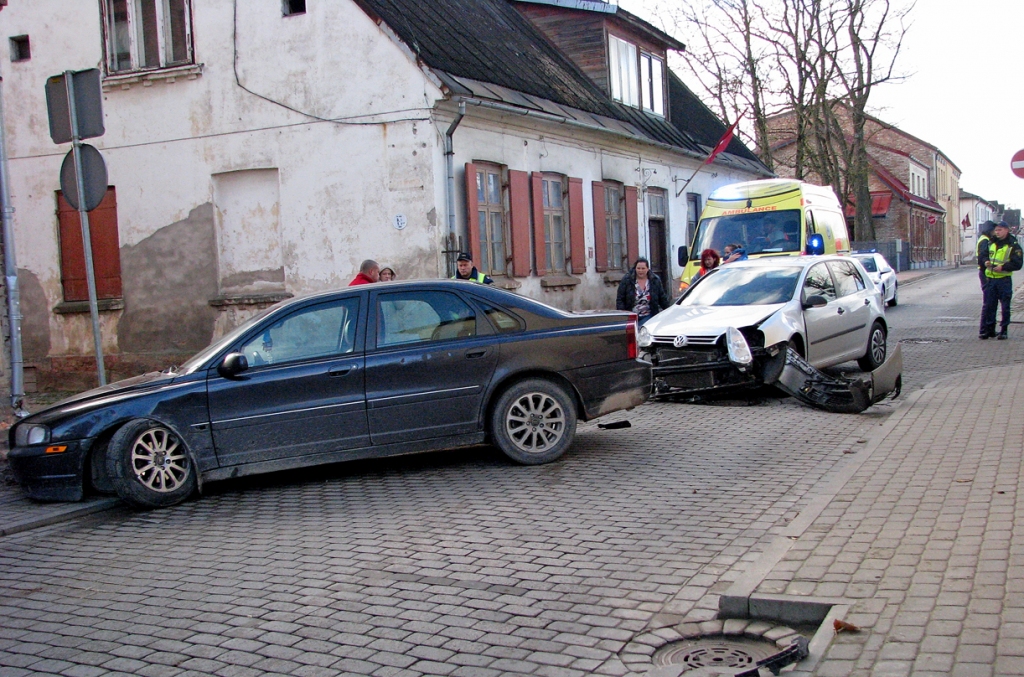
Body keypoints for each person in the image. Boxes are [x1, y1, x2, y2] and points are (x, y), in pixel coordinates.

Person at [979, 221, 1023, 340]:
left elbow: (1018, 263)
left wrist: (1003, 267)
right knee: (990, 306)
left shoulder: (1012, 245)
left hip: (1004, 280)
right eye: (996, 230)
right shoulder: (991, 242)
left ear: (1006, 230)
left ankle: (1004, 330)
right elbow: (983, 255)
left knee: (1005, 306)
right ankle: (989, 330)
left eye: (1000, 230)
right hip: (991, 279)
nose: (997, 232)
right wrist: (985, 261)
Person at [616, 257, 671, 325]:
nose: (640, 271)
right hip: (631, 316)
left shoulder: (655, 280)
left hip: (649, 316)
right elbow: (620, 299)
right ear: (635, 268)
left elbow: (662, 298)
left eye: (643, 268)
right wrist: (623, 316)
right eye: (638, 268)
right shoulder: (627, 280)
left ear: (647, 269)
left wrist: (670, 312)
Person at [976, 220, 996, 290]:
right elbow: (983, 255)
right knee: (988, 291)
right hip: (984, 270)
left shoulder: (983, 238)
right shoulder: (985, 240)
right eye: (993, 231)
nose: (994, 233)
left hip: (983, 269)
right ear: (989, 231)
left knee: (987, 291)